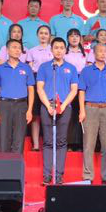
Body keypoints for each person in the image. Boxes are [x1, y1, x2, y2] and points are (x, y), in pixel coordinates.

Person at [78, 43, 106, 185]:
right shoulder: (86, 71)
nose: (103, 53)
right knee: (88, 145)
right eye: (100, 51)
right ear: (94, 53)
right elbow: (81, 91)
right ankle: (88, 177)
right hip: (90, 108)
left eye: (105, 51)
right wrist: (82, 110)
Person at [37, 38, 79, 184]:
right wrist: (48, 106)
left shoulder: (71, 68)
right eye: (56, 47)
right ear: (51, 50)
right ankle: (47, 175)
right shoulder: (44, 67)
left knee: (61, 141)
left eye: (61, 48)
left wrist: (64, 105)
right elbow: (40, 88)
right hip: (47, 105)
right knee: (48, 141)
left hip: (65, 107)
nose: (59, 50)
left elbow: (74, 90)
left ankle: (59, 175)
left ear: (65, 50)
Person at [0, 39, 35, 153]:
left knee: (19, 138)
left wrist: (29, 110)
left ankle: (17, 163)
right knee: (4, 137)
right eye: (14, 47)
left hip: (21, 104)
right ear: (7, 50)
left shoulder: (26, 68)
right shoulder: (0, 68)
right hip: (4, 105)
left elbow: (31, 90)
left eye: (19, 48)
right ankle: (4, 163)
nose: (17, 50)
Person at [27, 25, 54, 151]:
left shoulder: (53, 49)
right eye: (41, 33)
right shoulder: (32, 51)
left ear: (49, 36)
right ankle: (36, 144)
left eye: (46, 33)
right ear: (37, 35)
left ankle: (51, 142)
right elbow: (30, 68)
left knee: (51, 111)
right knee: (36, 114)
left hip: (51, 81)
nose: (43, 35)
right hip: (36, 80)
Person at [64, 28, 88, 152]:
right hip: (67, 85)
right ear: (68, 38)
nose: (74, 38)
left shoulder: (86, 54)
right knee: (69, 113)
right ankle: (69, 142)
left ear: (80, 38)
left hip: (82, 84)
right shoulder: (64, 53)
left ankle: (80, 143)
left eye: (77, 36)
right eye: (72, 36)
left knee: (81, 113)